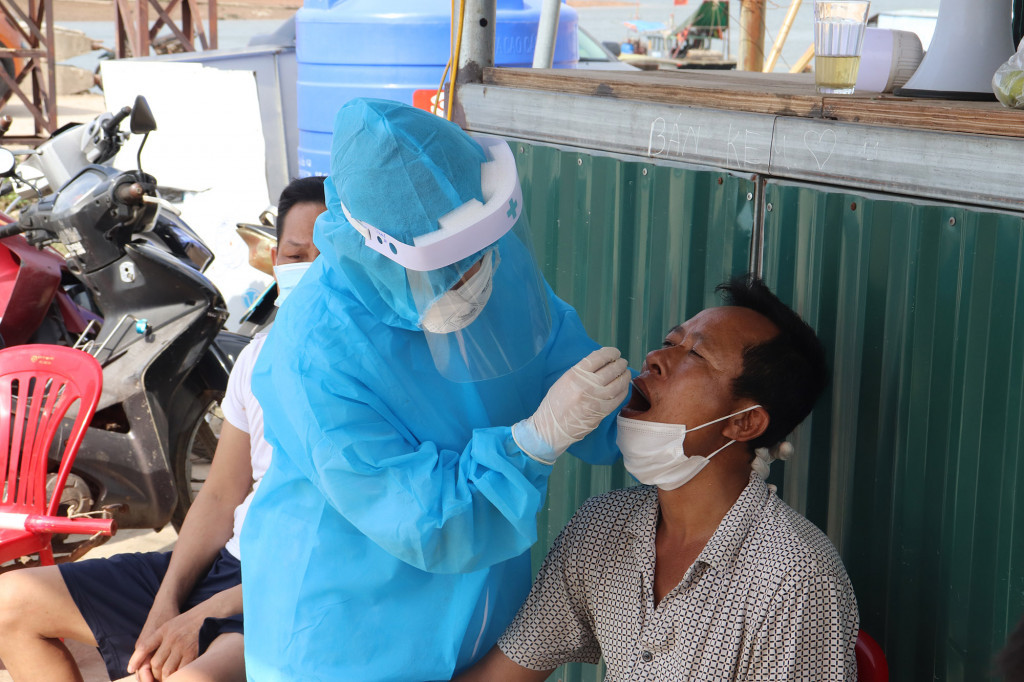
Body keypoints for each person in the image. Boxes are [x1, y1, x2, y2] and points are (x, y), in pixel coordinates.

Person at [240, 98, 630, 681]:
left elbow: (559, 362)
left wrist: (655, 429)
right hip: (343, 637)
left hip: (480, 611)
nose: (476, 274)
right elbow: (426, 521)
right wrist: (533, 444)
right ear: (376, 246)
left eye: (480, 247)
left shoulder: (488, 257)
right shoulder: (315, 352)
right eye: (448, 262)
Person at [0, 176, 326, 682]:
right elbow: (218, 497)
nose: (309, 269)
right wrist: (167, 601)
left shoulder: (371, 376)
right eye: (296, 254)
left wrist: (202, 613)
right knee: (12, 604)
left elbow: (340, 546)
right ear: (275, 258)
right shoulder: (260, 358)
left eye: (327, 254)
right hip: (230, 565)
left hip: (291, 589)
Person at [457, 276, 860, 681]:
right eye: (670, 343)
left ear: (744, 422)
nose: (653, 358)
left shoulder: (797, 578)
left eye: (696, 354)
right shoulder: (601, 529)